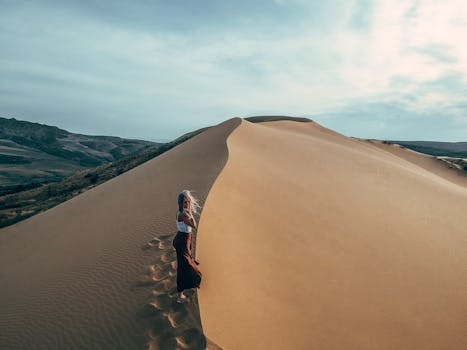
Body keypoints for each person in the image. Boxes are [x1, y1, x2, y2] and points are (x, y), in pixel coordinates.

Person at [172, 190, 202, 303]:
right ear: (180, 203)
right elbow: (194, 225)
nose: (187, 204)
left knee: (186, 262)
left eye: (188, 202)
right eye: (185, 202)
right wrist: (190, 212)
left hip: (184, 239)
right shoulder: (183, 214)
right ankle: (180, 296)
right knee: (184, 267)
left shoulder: (181, 211)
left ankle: (185, 286)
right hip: (182, 241)